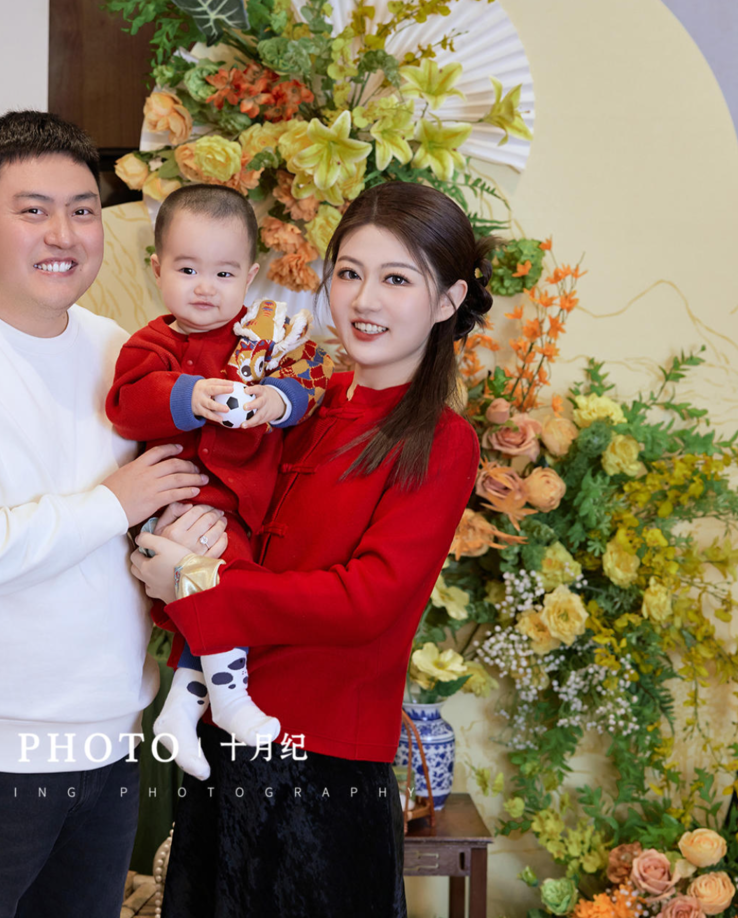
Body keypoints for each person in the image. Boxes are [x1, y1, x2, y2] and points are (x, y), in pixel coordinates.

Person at [0, 110, 215, 918]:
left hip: (106, 743)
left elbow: (155, 507)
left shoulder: (122, 353)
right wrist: (111, 503)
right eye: (33, 210)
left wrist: (183, 531)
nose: (64, 233)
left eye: (82, 210)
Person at [131, 180, 493, 917]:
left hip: (323, 767)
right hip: (220, 742)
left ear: (448, 300)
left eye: (397, 280)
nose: (364, 299)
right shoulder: (299, 405)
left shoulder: (442, 440)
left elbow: (366, 602)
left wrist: (194, 581)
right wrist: (163, 538)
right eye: (349, 272)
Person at [104, 183, 333, 779]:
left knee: (216, 599)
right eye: (187, 269)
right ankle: (229, 700)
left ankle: (180, 712)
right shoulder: (152, 343)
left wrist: (276, 401)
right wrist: (191, 395)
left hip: (242, 511)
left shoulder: (265, 339)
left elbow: (309, 379)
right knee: (218, 589)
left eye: (224, 273)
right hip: (181, 507)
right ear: (157, 268)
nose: (205, 287)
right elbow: (126, 405)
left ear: (250, 276)